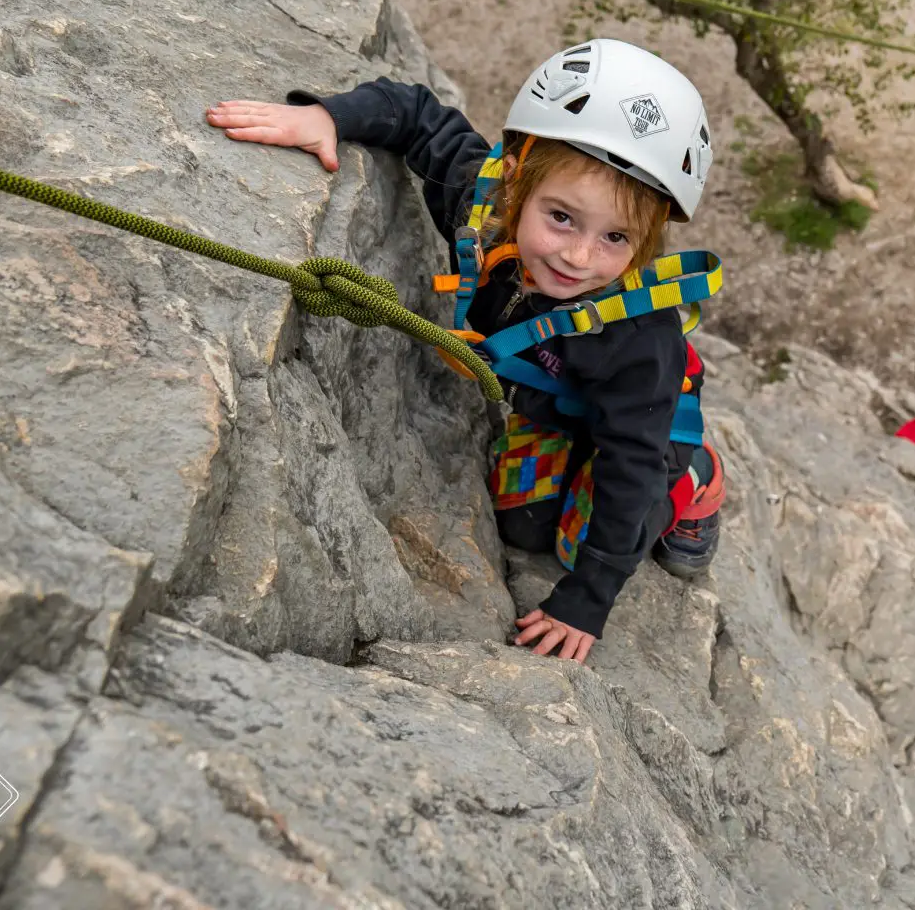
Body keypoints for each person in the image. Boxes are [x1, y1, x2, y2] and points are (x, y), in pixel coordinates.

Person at [206, 39, 725, 665]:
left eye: (616, 237)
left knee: (580, 541)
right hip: (560, 408)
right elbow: (420, 115)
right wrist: (329, 117)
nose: (579, 257)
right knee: (524, 528)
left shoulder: (639, 341)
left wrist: (588, 597)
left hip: (646, 432)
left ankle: (697, 478)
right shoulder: (485, 217)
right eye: (561, 217)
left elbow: (630, 467)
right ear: (516, 182)